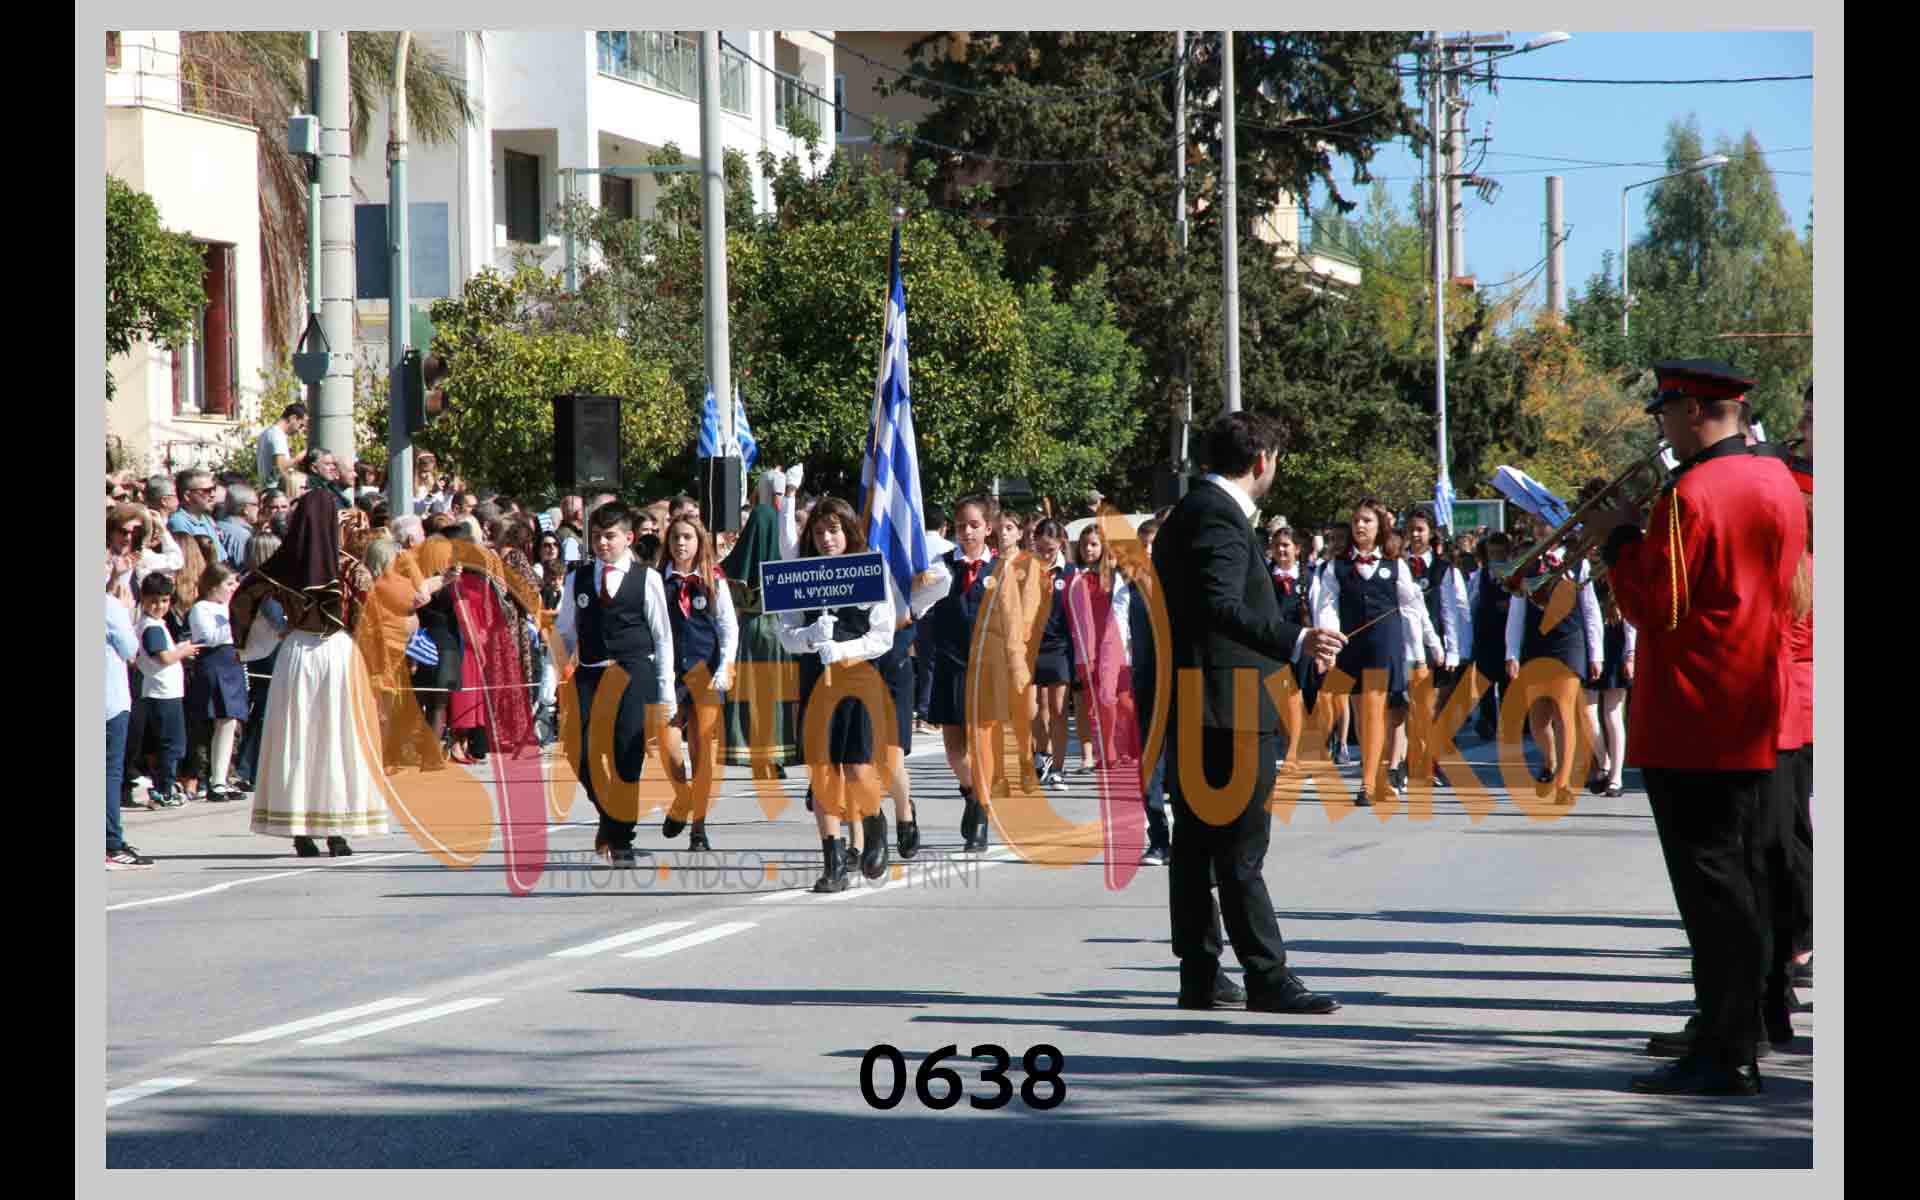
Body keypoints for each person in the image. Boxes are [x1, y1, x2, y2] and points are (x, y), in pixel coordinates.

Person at [1582, 359, 1807, 1097]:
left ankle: (1726, 1049)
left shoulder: (1691, 494)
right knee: (1741, 883)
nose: (1663, 429)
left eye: (1666, 414)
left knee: (1711, 893)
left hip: (1694, 714)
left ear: (1695, 412)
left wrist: (1619, 539)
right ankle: (1734, 1030)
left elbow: (1656, 606)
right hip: (1754, 708)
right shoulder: (1778, 479)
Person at [1155, 412, 1346, 1013]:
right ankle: (1266, 975)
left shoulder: (1188, 512)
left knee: (1194, 847)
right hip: (1229, 704)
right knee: (1239, 850)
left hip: (1196, 698)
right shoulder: (1218, 516)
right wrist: (1296, 638)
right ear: (1261, 460)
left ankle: (1200, 973)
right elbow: (1220, 606)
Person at [232, 492, 394, 858]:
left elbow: (243, 597)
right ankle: (337, 830)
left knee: (299, 736)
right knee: (338, 735)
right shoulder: (349, 566)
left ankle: (300, 829)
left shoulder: (283, 564)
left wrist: (243, 642)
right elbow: (372, 616)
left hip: (297, 653)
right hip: (338, 652)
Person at [778, 498, 898, 891]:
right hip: (816, 681)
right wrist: (810, 637)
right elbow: (786, 633)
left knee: (857, 768)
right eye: (819, 532)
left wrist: (844, 649)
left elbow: (883, 635)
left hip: (859, 678)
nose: (827, 539)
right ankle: (833, 862)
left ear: (848, 531)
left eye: (834, 531)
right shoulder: (800, 575)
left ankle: (875, 823)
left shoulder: (869, 569)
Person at [553, 503, 677, 867]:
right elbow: (564, 633)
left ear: (629, 538)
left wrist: (666, 690)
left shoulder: (646, 578)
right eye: (596, 537)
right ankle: (609, 814)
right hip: (591, 672)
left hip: (634, 673)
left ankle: (621, 837)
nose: (602, 543)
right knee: (576, 749)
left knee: (626, 755)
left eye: (610, 536)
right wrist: (553, 678)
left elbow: (662, 638)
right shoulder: (577, 578)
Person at [1313, 498, 1422, 808]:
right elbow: (1327, 606)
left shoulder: (1396, 565)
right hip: (1352, 646)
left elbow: (1412, 609)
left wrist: (1419, 653)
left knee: (1375, 709)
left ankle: (1369, 782)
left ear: (1380, 527)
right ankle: (1375, 773)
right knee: (1362, 714)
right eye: (1356, 521)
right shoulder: (1336, 566)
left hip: (1384, 644)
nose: (1360, 525)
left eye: (1367, 521)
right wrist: (1329, 644)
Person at [1504, 511, 1605, 804]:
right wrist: (1511, 652)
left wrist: (1596, 653)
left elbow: (1590, 609)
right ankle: (1549, 760)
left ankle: (1564, 782)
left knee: (1564, 712)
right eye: (1537, 524)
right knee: (1538, 717)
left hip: (1569, 642)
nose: (1541, 529)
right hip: (1536, 643)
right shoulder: (1525, 563)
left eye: (1546, 523)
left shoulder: (1576, 561)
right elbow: (1517, 611)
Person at [657, 514, 738, 852]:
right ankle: (682, 798)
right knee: (667, 745)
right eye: (676, 537)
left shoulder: (713, 579)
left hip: (706, 673)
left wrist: (726, 665)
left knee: (702, 753)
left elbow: (728, 627)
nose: (681, 543)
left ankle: (699, 827)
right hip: (669, 673)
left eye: (687, 537)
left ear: (699, 541)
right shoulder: (657, 581)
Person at [926, 496, 1001, 851]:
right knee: (955, 749)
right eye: (960, 526)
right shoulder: (942, 566)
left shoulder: (1002, 568)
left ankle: (982, 814)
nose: (967, 532)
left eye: (974, 525)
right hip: (950, 664)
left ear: (988, 527)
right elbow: (921, 604)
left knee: (981, 743)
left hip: (987, 668)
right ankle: (971, 791)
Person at [719, 488, 800, 779]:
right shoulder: (786, 560)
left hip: (749, 629)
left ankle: (752, 752)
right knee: (777, 694)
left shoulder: (736, 561)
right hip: (779, 630)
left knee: (750, 693)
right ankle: (777, 755)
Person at [1124, 517, 1171, 865]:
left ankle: (1195, 844)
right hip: (1146, 681)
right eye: (1144, 546)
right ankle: (1158, 838)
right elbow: (1119, 632)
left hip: (1184, 681)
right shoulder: (1128, 588)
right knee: (1149, 762)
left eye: (1156, 544)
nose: (1149, 552)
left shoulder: (1184, 586)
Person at [134, 572, 201, 808]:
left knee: (170, 742)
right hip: (162, 693)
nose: (159, 606)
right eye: (153, 601)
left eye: (164, 600)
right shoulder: (151, 627)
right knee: (171, 744)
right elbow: (164, 657)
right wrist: (184, 651)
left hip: (164, 691)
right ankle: (165, 789)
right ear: (143, 599)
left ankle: (165, 785)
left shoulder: (155, 624)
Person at [185, 563, 249, 801]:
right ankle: (208, 779)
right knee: (216, 720)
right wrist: (233, 618)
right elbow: (208, 637)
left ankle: (221, 778)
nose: (234, 588)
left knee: (230, 721)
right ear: (213, 586)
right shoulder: (201, 608)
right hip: (214, 663)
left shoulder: (227, 608)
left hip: (232, 662)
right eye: (229, 583)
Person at [106, 552, 152, 868]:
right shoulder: (109, 605)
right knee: (109, 773)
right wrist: (124, 609)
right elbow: (130, 649)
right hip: (109, 701)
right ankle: (110, 842)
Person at [1027, 517, 1077, 790]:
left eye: (1051, 550)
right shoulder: (1024, 570)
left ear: (1061, 544)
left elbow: (1078, 615)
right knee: (1032, 709)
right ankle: (1041, 754)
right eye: (1041, 549)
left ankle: (1058, 768)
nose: (1046, 555)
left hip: (1059, 647)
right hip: (1029, 647)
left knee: (1058, 710)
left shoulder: (1070, 573)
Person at [1587, 568, 1637, 797]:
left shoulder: (1621, 578)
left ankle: (1616, 776)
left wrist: (1631, 654)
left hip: (1615, 646)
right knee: (1586, 713)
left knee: (1612, 714)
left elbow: (1631, 623)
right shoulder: (1584, 575)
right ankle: (1603, 760)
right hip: (1590, 649)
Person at [168, 470, 228, 564]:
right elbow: (191, 564)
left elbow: (221, 556)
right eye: (207, 491)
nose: (213, 495)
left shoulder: (205, 518)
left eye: (214, 488)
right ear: (187, 496)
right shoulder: (178, 523)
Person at [255, 402, 307, 490]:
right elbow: (280, 466)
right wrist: (300, 457)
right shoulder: (277, 435)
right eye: (300, 425)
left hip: (267, 489)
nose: (299, 431)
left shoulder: (267, 432)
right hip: (276, 490)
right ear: (293, 418)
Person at [217, 483, 258, 565]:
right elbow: (242, 568)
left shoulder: (216, 525)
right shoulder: (243, 535)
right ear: (245, 508)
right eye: (256, 504)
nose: (258, 508)